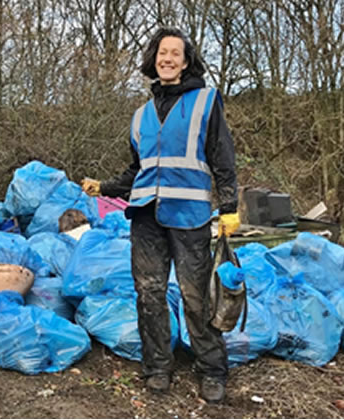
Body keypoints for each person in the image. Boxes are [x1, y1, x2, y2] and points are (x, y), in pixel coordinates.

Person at [82, 27, 240, 403]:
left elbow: (223, 158)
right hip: (146, 218)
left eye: (175, 53)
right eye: (161, 53)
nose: (167, 59)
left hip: (190, 216)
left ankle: (212, 368)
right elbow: (139, 170)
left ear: (186, 61)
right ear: (154, 59)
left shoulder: (205, 101)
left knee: (196, 296)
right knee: (149, 294)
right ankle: (157, 367)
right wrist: (104, 187)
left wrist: (230, 206)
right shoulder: (140, 116)